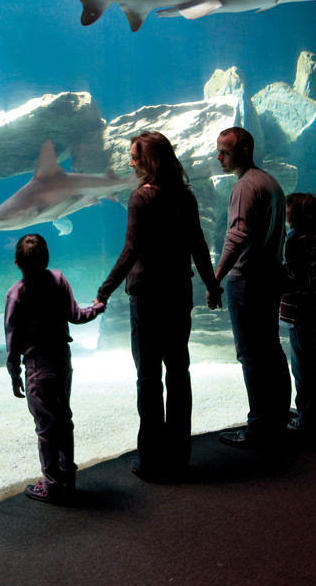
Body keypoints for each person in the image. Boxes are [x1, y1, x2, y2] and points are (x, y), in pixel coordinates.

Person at [98, 131, 219, 483]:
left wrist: (105, 289)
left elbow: (131, 249)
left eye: (134, 156)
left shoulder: (141, 198)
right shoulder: (185, 196)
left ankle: (151, 459)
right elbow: (199, 245)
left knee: (149, 378)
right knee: (179, 372)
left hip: (148, 296)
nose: (130, 162)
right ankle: (180, 456)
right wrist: (211, 285)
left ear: (147, 160)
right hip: (179, 293)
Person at [4, 233, 104, 504]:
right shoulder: (58, 279)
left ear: (16, 262)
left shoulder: (14, 295)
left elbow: (12, 341)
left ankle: (52, 486)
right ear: (47, 258)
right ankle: (67, 480)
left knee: (46, 429)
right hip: (62, 363)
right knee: (64, 422)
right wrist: (96, 308)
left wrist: (14, 374)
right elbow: (76, 315)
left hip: (37, 369)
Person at [213, 126, 291, 448]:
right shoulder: (271, 183)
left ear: (243, 152)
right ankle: (279, 417)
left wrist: (214, 278)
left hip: (248, 279)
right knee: (271, 350)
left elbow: (237, 237)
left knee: (251, 356)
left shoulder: (245, 187)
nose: (218, 158)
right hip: (273, 274)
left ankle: (259, 427)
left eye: (225, 152)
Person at [281, 192, 316, 435]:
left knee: (302, 367)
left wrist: (275, 277)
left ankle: (306, 417)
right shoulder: (315, 239)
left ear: (297, 213)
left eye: (288, 207)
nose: (284, 210)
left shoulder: (294, 242)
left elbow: (297, 280)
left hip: (300, 315)